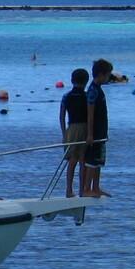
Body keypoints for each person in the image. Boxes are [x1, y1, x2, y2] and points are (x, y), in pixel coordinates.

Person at [83, 58, 113, 198]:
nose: (108, 78)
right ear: (100, 75)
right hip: (94, 131)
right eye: (107, 75)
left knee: (99, 160)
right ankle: (87, 188)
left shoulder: (99, 90)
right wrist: (89, 134)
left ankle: (96, 187)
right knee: (92, 161)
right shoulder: (93, 90)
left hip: (101, 130)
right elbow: (90, 113)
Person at [59, 68, 90, 197]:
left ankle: (69, 189)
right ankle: (82, 190)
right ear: (86, 81)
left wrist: (64, 132)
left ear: (72, 80)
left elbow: (61, 116)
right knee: (83, 160)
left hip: (71, 128)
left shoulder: (66, 96)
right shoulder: (87, 96)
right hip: (84, 127)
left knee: (72, 160)